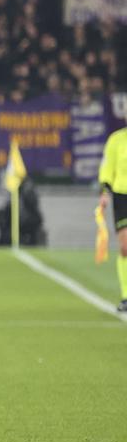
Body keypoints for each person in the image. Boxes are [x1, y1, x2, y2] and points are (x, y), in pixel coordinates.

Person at [99, 127, 127, 311]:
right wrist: (104, 191)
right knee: (125, 247)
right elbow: (107, 167)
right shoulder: (116, 139)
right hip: (122, 196)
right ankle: (126, 296)